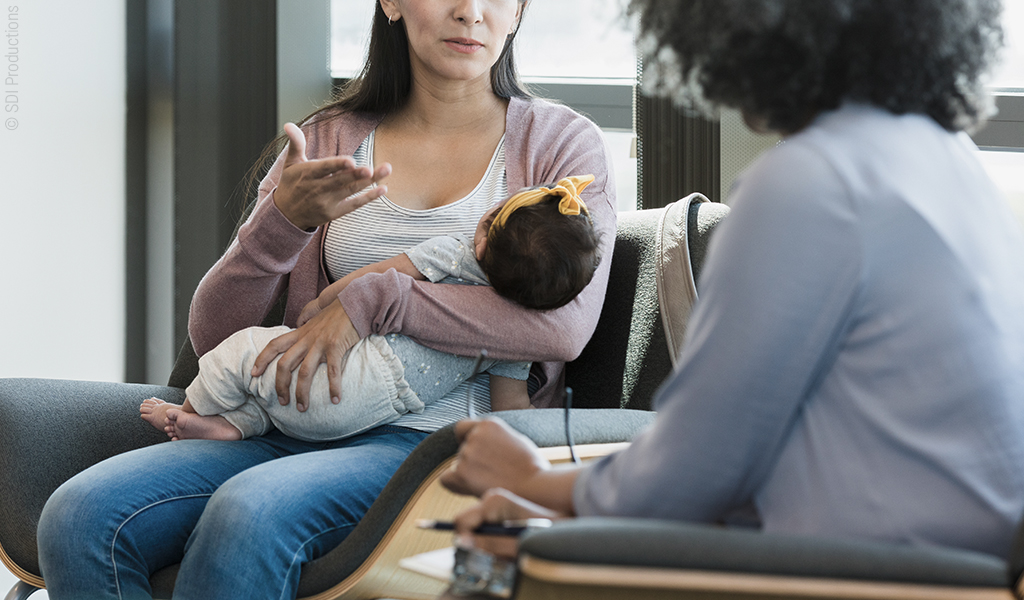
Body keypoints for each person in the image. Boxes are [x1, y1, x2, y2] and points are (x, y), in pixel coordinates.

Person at [35, 0, 616, 597]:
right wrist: (280, 224)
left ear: (519, 11)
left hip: (431, 447)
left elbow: (562, 328)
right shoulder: (328, 140)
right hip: (292, 421)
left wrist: (379, 300)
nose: (470, 12)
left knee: (250, 514)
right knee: (79, 516)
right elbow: (214, 337)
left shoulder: (561, 147)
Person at [442, 0, 1024, 562]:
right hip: (947, 559)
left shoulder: (810, 183)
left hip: (867, 571)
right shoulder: (948, 157)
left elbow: (695, 470)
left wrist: (532, 480)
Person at [138, 176, 601, 443]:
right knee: (274, 398)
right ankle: (234, 428)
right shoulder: (516, 339)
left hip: (352, 373)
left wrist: (323, 303)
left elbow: (381, 276)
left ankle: (188, 408)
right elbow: (510, 409)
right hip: (376, 411)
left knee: (243, 351)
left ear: (484, 231)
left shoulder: (455, 253)